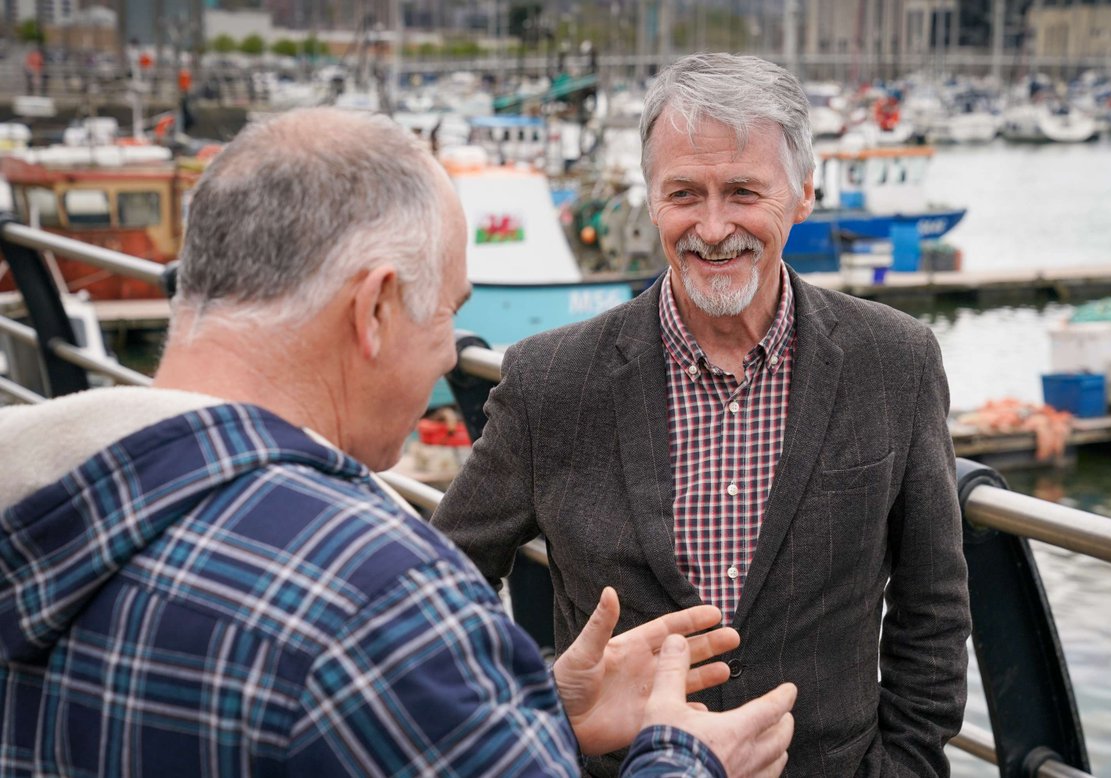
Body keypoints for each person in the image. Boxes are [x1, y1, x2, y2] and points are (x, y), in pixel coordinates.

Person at [0, 107, 797, 777]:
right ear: (375, 309)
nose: (454, 355)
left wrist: (545, 715)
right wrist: (684, 758)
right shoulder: (374, 600)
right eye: (447, 312)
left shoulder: (48, 502)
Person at [433, 53, 972, 777]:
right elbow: (443, 595)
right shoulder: (550, 381)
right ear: (652, 197)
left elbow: (933, 607)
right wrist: (544, 714)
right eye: (684, 194)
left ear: (804, 193)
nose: (713, 229)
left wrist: (905, 767)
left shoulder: (895, 362)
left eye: (744, 192)